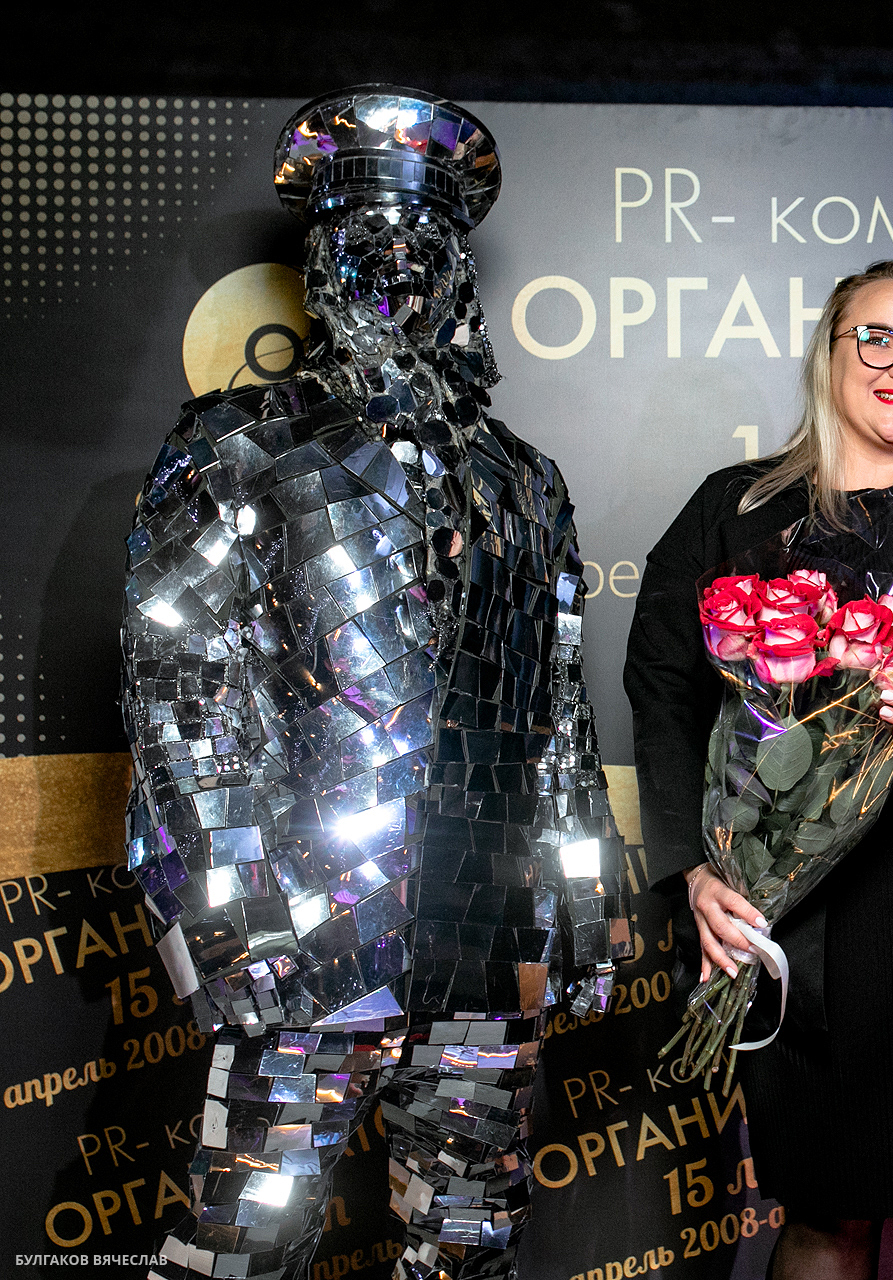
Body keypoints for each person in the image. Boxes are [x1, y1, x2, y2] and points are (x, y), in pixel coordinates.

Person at [123, 88, 628, 1280]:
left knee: (470, 1240)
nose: (396, 265)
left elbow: (559, 715)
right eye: (364, 238)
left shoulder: (528, 482)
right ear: (319, 264)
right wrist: (235, 923)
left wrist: (587, 902)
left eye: (425, 242)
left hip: (489, 934)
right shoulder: (234, 447)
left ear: (458, 271)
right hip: (306, 932)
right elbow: (181, 696)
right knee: (242, 1243)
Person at [625, 260, 893, 1280]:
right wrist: (694, 868)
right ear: (830, 352)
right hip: (789, 914)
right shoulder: (738, 507)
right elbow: (662, 682)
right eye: (879, 339)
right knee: (831, 1210)